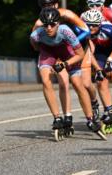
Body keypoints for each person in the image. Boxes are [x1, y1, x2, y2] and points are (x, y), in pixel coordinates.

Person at [29, 8, 105, 140]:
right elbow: (36, 47)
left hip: (67, 51)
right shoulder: (36, 35)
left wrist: (64, 64)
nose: (49, 28)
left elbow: (80, 54)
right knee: (45, 79)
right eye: (45, 24)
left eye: (52, 24)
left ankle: (90, 118)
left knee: (77, 83)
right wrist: (50, 61)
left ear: (58, 23)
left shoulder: (65, 30)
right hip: (48, 52)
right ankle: (57, 118)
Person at [82, 8, 112, 133]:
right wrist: (98, 69)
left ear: (100, 23)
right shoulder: (83, 32)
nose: (91, 27)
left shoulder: (108, 29)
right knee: (100, 80)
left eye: (95, 25)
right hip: (100, 52)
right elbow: (89, 53)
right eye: (89, 24)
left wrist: (109, 61)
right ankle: (109, 110)